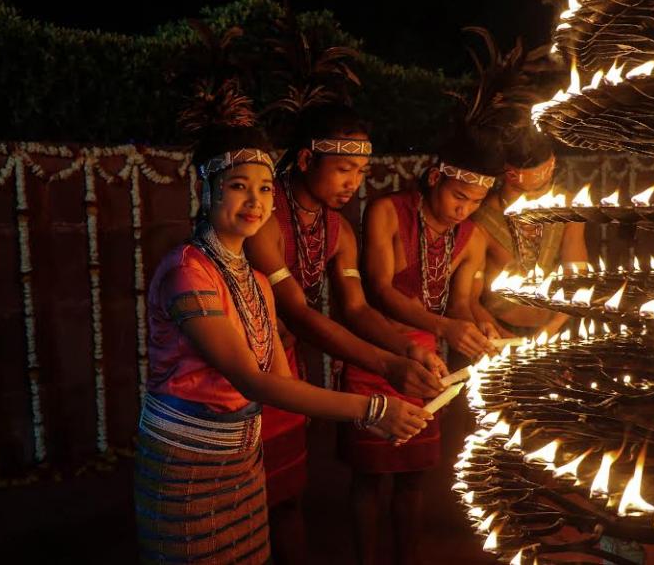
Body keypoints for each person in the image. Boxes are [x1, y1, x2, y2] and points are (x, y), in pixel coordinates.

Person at [134, 117, 432, 565]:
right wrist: (371, 408)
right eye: (238, 186)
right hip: (188, 462)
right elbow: (254, 382)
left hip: (242, 458)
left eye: (265, 188)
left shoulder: (255, 280)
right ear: (207, 190)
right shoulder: (186, 273)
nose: (255, 201)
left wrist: (381, 403)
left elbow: (282, 380)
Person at [244, 104, 447, 563]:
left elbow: (355, 307)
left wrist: (408, 350)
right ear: (304, 161)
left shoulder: (337, 229)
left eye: (360, 170)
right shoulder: (263, 212)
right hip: (237, 371)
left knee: (289, 495)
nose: (353, 182)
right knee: (248, 502)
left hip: (285, 365)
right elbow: (295, 311)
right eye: (343, 169)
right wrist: (386, 364)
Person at [342, 127, 501, 565]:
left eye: (474, 202)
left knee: (414, 476)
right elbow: (378, 290)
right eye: (458, 196)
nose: (463, 209)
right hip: (373, 350)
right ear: (435, 176)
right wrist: (447, 327)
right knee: (369, 475)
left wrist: (481, 328)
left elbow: (464, 303)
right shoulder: (386, 212)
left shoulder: (473, 236)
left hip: (427, 364)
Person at [471, 126, 588, 337]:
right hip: (498, 332)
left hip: (556, 328)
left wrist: (549, 330)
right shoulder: (481, 218)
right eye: (522, 192)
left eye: (542, 189)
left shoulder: (568, 208)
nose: (534, 199)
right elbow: (468, 298)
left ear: (552, 164)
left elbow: (577, 276)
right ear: (508, 174)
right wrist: (504, 340)